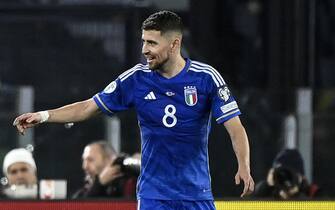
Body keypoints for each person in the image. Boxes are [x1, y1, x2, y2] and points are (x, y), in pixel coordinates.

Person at [13, 10, 254, 209]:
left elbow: (235, 128)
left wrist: (244, 165)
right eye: (143, 41)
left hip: (196, 194)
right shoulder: (136, 79)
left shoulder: (206, 78)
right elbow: (88, 107)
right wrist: (44, 116)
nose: (144, 49)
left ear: (174, 44)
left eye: (151, 42)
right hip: (153, 195)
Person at [72, 141, 139, 198]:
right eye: (84, 160)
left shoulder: (128, 185)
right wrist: (100, 183)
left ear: (110, 161)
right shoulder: (84, 192)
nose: (84, 166)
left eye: (90, 160)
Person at [254, 148, 321, 199]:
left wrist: (299, 195)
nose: (285, 179)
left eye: (290, 175)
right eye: (280, 176)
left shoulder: (313, 196)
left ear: (302, 178)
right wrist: (269, 186)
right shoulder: (268, 191)